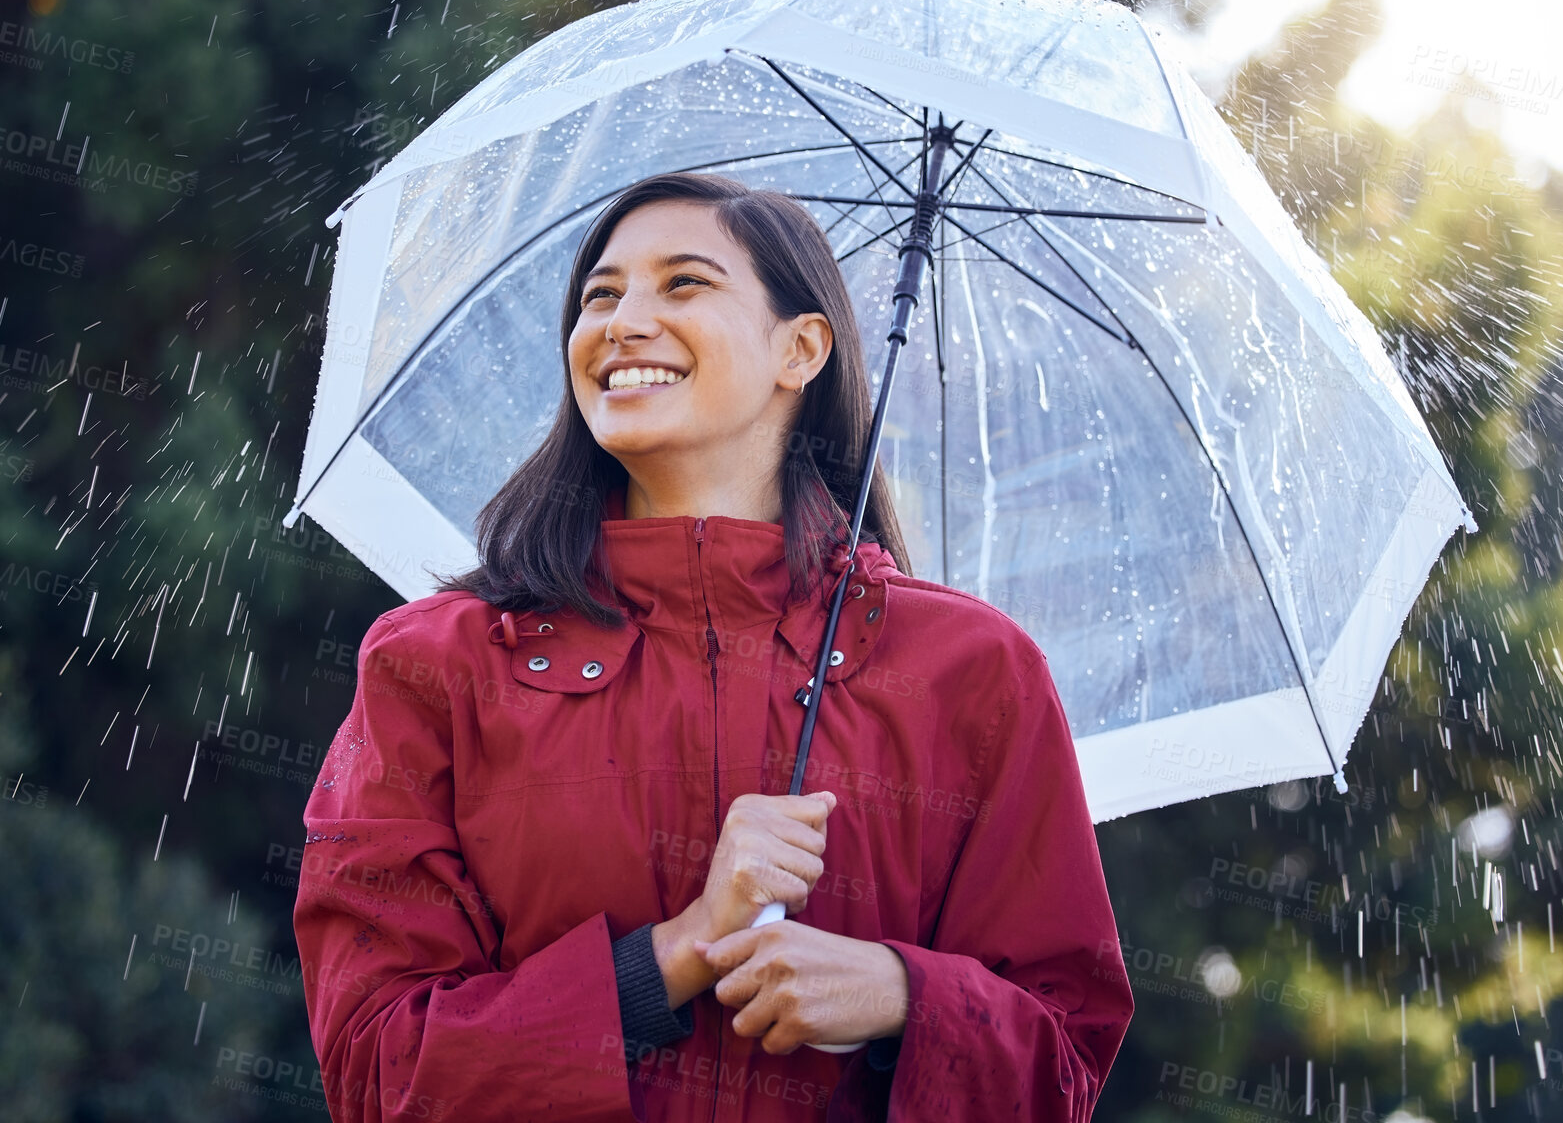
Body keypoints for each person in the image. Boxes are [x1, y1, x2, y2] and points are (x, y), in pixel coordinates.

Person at [293, 171, 1133, 1122]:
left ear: (800, 349)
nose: (621, 321)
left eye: (682, 284)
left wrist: (904, 997)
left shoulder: (973, 672)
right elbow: (376, 1071)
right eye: (600, 296)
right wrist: (677, 954)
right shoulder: (437, 666)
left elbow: (1062, 1063)